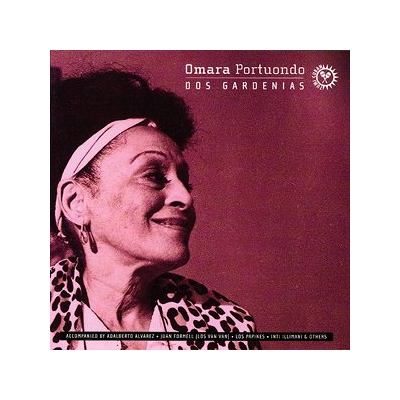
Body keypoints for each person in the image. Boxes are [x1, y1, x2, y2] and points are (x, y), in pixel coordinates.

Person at [50, 69, 261, 350]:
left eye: (186, 182)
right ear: (76, 202)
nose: (185, 197)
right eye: (153, 176)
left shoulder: (230, 328)